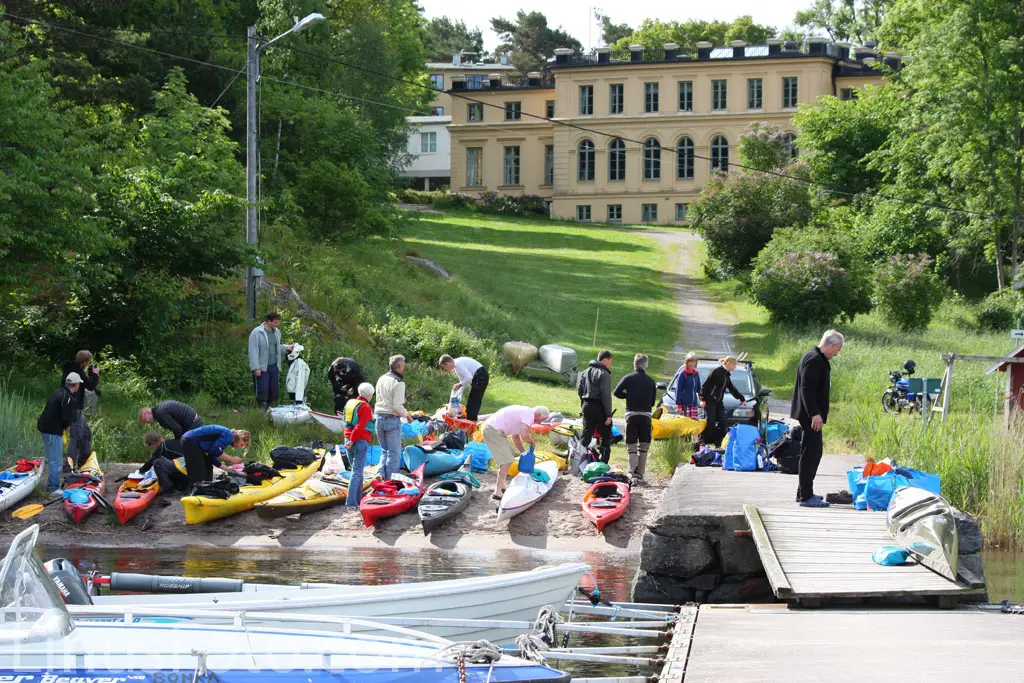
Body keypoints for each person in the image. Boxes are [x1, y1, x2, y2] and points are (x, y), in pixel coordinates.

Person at [792, 330, 844, 508]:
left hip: (811, 415)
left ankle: (803, 493)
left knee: (812, 452)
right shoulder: (814, 360)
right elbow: (806, 389)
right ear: (832, 345)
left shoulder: (815, 357)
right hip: (810, 416)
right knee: (812, 454)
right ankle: (806, 496)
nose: (837, 353)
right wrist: (814, 413)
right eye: (837, 349)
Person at [481, 405, 550, 500]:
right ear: (537, 414)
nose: (539, 423)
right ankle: (497, 492)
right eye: (540, 420)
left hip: (494, 429)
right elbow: (524, 435)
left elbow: (515, 437)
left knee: (511, 453)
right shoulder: (529, 416)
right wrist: (533, 443)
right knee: (507, 460)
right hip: (492, 430)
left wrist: (523, 452)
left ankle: (503, 486)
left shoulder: (524, 414)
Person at [613, 354, 657, 482]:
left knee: (631, 445)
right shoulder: (650, 381)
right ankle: (641, 474)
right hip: (646, 416)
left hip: (631, 415)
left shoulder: (628, 378)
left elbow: (617, 392)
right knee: (644, 446)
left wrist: (628, 396)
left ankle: (632, 471)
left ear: (635, 364)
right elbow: (653, 402)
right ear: (646, 365)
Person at [37, 373, 81, 492]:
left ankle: (53, 484)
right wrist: (67, 426)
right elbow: (66, 417)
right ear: (76, 385)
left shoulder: (59, 392)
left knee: (53, 459)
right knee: (55, 460)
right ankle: (53, 487)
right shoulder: (67, 397)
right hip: (52, 431)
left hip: (47, 429)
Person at [60, 350, 99, 469]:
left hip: (73, 407)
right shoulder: (77, 371)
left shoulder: (70, 369)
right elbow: (90, 385)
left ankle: (84, 460)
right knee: (75, 437)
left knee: (86, 433)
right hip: (73, 407)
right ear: (85, 362)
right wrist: (95, 374)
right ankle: (68, 465)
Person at [374, 355, 409, 480]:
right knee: (394, 453)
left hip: (378, 417)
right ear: (400, 366)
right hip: (391, 419)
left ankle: (379, 474)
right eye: (403, 365)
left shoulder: (381, 378)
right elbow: (396, 406)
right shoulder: (398, 382)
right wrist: (407, 415)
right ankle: (390, 481)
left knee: (384, 450)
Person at [248, 312, 293, 409]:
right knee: (262, 390)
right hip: (262, 367)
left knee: (273, 390)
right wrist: (256, 367)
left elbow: (276, 348)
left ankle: (270, 411)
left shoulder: (276, 332)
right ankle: (261, 412)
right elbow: (253, 351)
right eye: (275, 323)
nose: (277, 325)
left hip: (274, 366)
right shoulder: (257, 332)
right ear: (268, 321)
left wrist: (287, 348)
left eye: (278, 322)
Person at [699, 356, 747, 448]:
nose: (735, 367)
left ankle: (718, 443)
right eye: (734, 365)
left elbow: (732, 389)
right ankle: (705, 441)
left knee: (723, 422)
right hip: (710, 401)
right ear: (728, 363)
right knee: (711, 422)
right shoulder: (716, 372)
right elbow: (705, 385)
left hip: (718, 402)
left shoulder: (726, 375)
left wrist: (742, 398)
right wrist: (702, 399)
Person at [179, 425, 248, 486]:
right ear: (240, 437)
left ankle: (207, 488)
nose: (239, 447)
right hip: (190, 441)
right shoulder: (229, 435)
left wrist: (227, 469)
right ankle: (194, 492)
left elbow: (211, 457)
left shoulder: (227, 436)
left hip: (191, 442)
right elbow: (215, 450)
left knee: (208, 467)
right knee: (198, 471)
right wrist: (231, 459)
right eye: (241, 445)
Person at [577, 350, 614, 464]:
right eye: (610, 361)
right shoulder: (604, 374)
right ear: (605, 360)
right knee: (605, 433)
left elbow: (580, 390)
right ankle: (603, 461)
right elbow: (605, 395)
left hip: (587, 405)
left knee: (587, 433)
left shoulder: (585, 371)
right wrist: (608, 414)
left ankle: (579, 459)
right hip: (599, 406)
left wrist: (584, 403)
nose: (610, 364)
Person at [343, 382, 376, 508]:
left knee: (356, 470)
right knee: (356, 472)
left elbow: (346, 421)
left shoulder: (350, 403)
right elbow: (360, 426)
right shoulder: (366, 407)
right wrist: (352, 440)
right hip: (358, 440)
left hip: (347, 437)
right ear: (369, 395)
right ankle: (351, 503)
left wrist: (349, 440)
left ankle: (357, 499)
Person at [438, 354, 489, 421]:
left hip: (481, 375)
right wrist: (458, 395)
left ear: (447, 363)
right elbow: (463, 382)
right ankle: (471, 420)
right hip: (480, 375)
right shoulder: (457, 367)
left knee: (473, 400)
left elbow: (468, 377)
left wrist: (459, 385)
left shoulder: (458, 364)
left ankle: (471, 421)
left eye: (445, 368)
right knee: (473, 400)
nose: (445, 370)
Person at [669, 352, 703, 418]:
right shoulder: (682, 374)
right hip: (684, 404)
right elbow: (678, 390)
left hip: (694, 404)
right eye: (690, 362)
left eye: (694, 362)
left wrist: (702, 397)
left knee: (693, 423)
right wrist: (679, 405)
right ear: (687, 362)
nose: (692, 364)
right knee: (686, 423)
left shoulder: (696, 373)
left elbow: (698, 387)